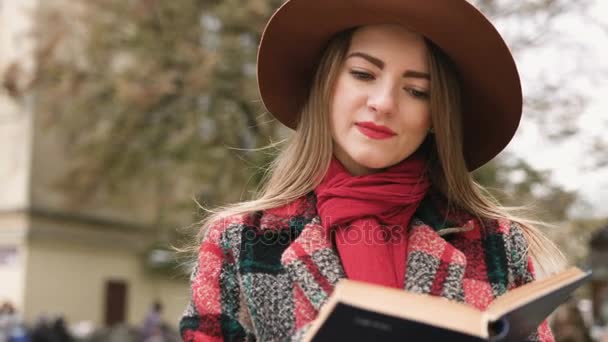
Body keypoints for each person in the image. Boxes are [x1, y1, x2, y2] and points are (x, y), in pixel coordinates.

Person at [179, 0, 567, 341]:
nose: (382, 103)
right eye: (363, 74)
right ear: (326, 83)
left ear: (436, 116)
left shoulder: (497, 242)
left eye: (416, 91)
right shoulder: (237, 242)